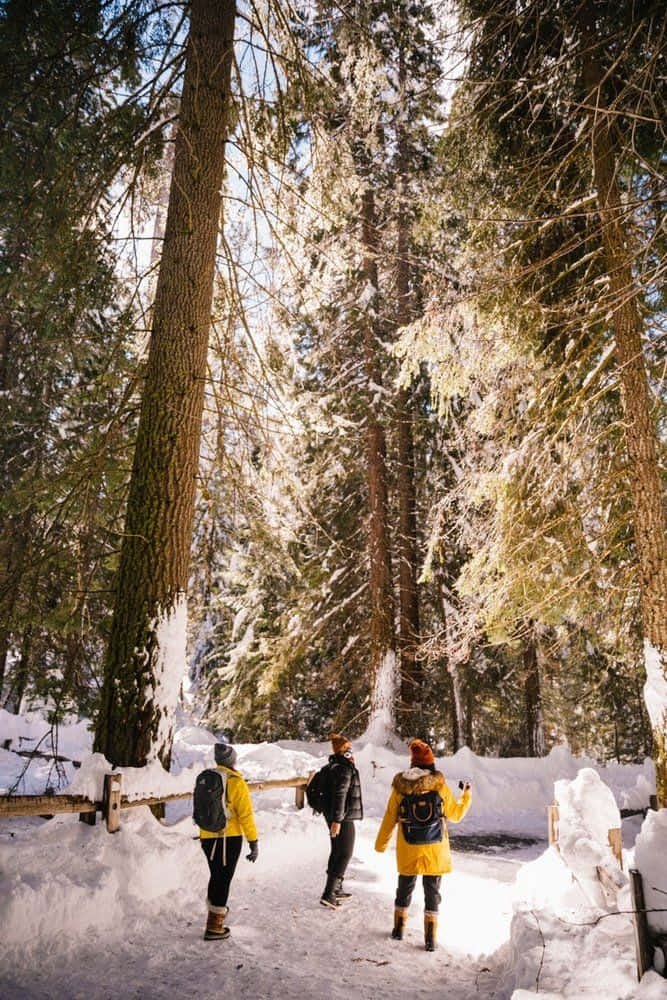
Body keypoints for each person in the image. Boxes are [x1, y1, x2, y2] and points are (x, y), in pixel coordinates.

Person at [374, 739, 471, 951]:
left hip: (408, 847)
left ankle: (398, 930)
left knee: (404, 888)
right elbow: (455, 815)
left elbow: (390, 817)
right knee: (432, 892)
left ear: (413, 765)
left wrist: (381, 844)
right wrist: (466, 796)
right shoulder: (439, 786)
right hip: (435, 849)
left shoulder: (401, 788)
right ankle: (430, 940)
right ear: (431, 765)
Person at [199, 742, 259, 941]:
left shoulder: (208, 778)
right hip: (228, 837)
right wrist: (253, 841)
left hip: (207, 836)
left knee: (216, 875)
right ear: (232, 761)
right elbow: (246, 814)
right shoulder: (235, 781)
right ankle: (215, 926)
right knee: (223, 878)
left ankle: (213, 917)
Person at [320, 733, 363, 909]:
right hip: (341, 817)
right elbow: (340, 794)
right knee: (345, 853)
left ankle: (336, 889)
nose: (350, 750)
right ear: (342, 750)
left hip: (335, 815)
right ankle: (329, 893)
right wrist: (337, 820)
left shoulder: (334, 766)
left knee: (337, 851)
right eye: (347, 748)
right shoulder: (343, 768)